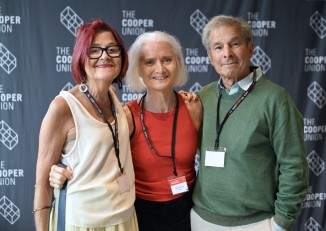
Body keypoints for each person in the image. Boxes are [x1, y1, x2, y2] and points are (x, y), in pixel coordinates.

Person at [49, 31, 202, 231]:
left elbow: (209, 158)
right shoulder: (126, 115)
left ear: (178, 63)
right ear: (138, 68)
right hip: (140, 213)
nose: (160, 68)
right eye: (149, 62)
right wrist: (60, 169)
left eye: (167, 60)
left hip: (187, 210)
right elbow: (98, 157)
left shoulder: (193, 106)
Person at [190, 15, 308, 231]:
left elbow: (294, 166)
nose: (227, 53)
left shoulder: (276, 99)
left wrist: (280, 224)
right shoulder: (201, 98)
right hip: (202, 220)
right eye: (218, 47)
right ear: (210, 56)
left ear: (250, 48)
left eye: (234, 43)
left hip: (256, 223)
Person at [33, 18, 138, 231]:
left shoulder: (113, 95)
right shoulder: (62, 108)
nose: (105, 56)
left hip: (125, 217)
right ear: (81, 57)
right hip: (83, 223)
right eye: (94, 50)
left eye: (112, 49)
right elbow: (42, 184)